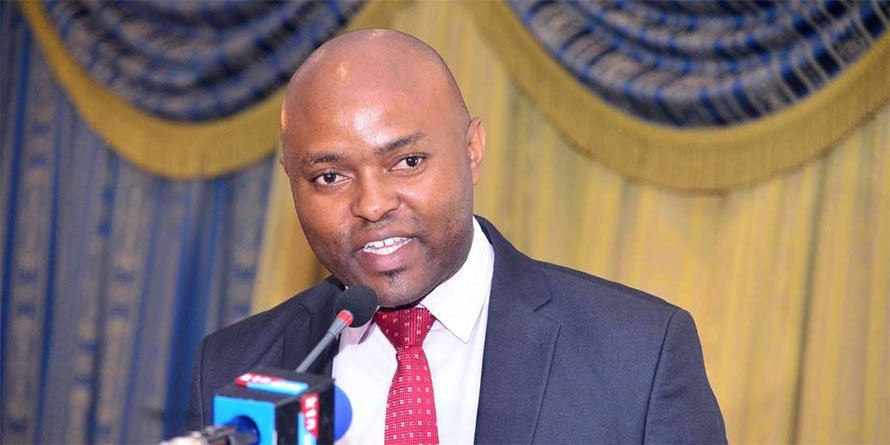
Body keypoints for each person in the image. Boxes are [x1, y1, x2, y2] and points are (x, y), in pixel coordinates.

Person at [186, 29, 727, 444]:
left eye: (407, 161)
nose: (372, 204)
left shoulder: (640, 355)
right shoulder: (235, 369)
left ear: (472, 151)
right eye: (329, 177)